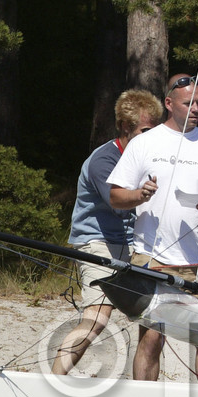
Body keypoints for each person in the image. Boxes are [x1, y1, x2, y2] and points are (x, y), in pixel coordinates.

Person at [108, 73, 198, 383]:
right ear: (170, 104)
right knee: (152, 338)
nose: (196, 108)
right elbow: (115, 196)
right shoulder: (145, 143)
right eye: (189, 103)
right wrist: (139, 194)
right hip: (151, 256)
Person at [51, 89, 163, 376]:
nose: (152, 138)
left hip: (136, 245)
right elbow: (117, 201)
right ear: (126, 127)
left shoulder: (148, 157)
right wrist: (141, 194)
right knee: (97, 318)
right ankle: (52, 382)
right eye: (145, 131)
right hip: (98, 242)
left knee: (154, 326)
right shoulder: (104, 160)